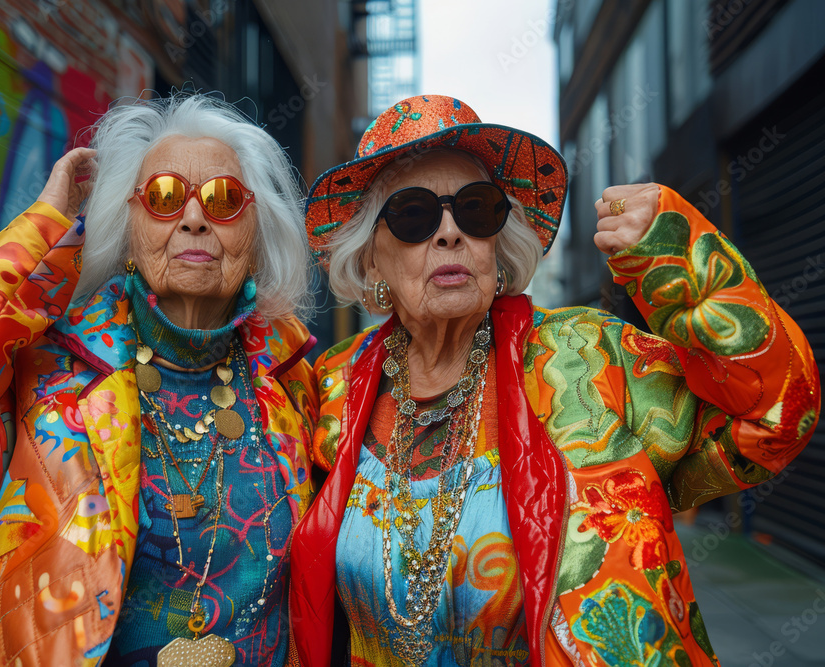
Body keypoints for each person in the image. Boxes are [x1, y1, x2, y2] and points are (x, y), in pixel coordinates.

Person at [288, 95, 819, 666]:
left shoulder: (591, 358)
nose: (449, 233)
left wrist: (678, 260)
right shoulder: (331, 385)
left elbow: (778, 412)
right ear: (371, 259)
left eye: (476, 209)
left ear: (499, 240)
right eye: (413, 216)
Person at [0, 93, 319, 666]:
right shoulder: (49, 377)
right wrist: (36, 234)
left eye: (223, 200)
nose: (194, 218)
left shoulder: (292, 383)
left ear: (256, 231)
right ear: (129, 223)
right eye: (165, 197)